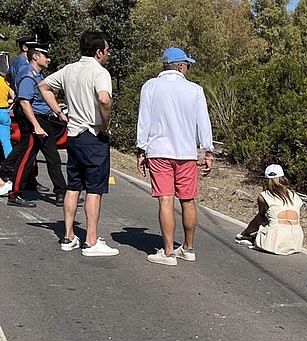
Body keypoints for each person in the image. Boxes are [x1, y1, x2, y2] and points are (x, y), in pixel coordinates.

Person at [39, 31, 119, 257]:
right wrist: (105, 123)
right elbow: (104, 99)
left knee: (73, 186)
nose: (108, 54)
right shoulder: (100, 72)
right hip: (93, 135)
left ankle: (68, 235)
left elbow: (44, 87)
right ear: (98, 52)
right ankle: (91, 241)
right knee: (94, 189)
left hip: (73, 135)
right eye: (107, 50)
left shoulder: (69, 70)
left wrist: (59, 112)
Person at [136, 47, 214, 266]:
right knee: (188, 200)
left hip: (159, 150)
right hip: (186, 153)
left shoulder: (150, 86)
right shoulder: (195, 90)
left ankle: (168, 251)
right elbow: (203, 122)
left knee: (165, 199)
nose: (187, 69)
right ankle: (188, 248)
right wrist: (207, 150)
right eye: (187, 65)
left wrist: (141, 149)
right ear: (180, 66)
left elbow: (144, 119)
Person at [0, 46, 67, 208]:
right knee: (26, 156)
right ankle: (15, 193)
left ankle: (61, 193)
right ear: (35, 57)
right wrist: (36, 125)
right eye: (45, 56)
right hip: (33, 119)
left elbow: (45, 95)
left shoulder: (39, 75)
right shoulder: (29, 77)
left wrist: (58, 112)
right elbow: (24, 101)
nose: (48, 59)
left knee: (52, 156)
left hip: (43, 118)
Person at [235, 164, 304, 255]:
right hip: (296, 243)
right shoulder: (295, 196)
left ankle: (245, 234)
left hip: (273, 243)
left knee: (260, 217)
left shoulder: (264, 196)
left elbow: (261, 215)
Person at [0, 71, 15, 159]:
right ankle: (10, 162)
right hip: (4, 112)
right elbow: (14, 97)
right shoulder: (3, 81)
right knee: (6, 141)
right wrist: (6, 101)